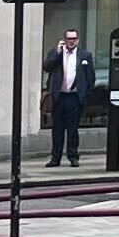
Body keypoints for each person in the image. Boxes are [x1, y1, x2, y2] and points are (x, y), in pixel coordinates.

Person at [43, 28, 96, 167]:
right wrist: (57, 53)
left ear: (77, 40)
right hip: (59, 96)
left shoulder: (85, 55)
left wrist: (85, 95)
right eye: (69, 39)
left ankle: (73, 156)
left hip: (74, 97)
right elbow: (47, 67)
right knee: (57, 129)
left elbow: (90, 77)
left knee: (73, 129)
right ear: (64, 40)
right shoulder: (56, 53)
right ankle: (56, 157)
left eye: (74, 39)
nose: (71, 41)